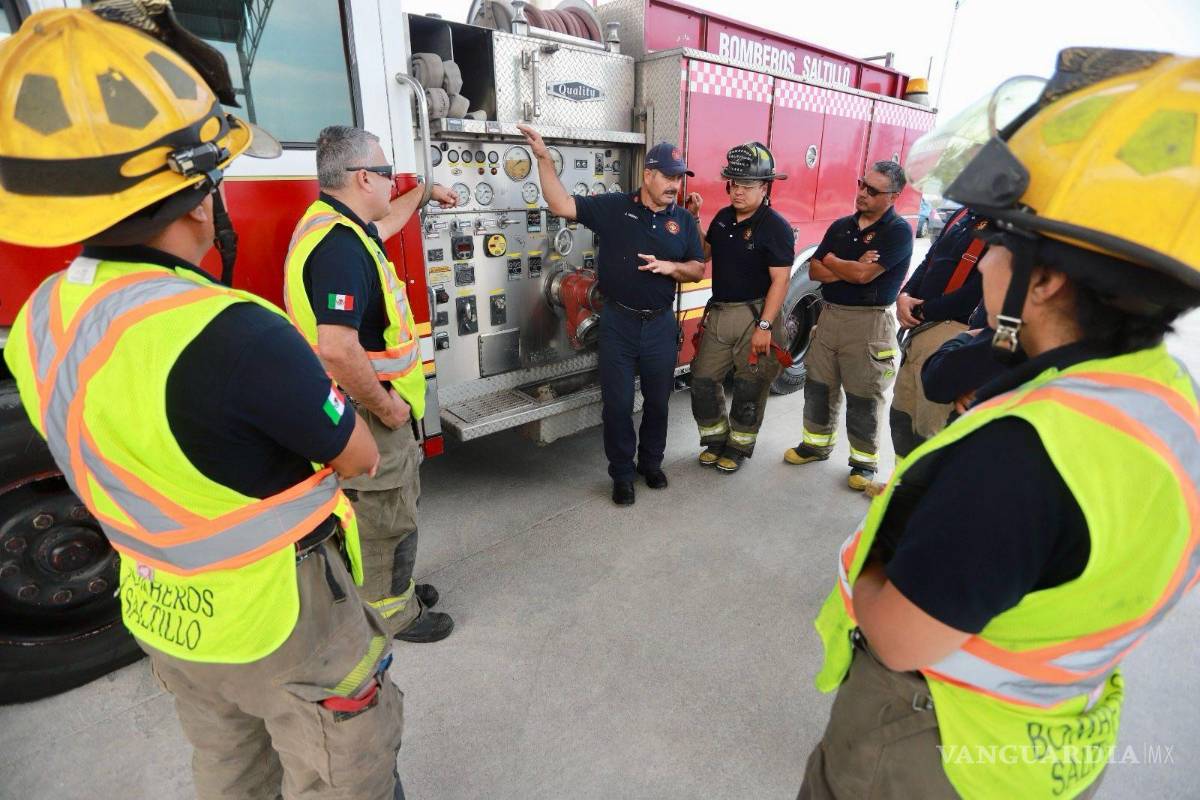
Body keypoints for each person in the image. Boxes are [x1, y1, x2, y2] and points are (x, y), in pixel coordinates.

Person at [0, 7, 406, 799]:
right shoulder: (233, 333)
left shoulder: (42, 313)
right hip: (278, 620)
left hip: (162, 610)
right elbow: (355, 454)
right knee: (342, 771)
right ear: (196, 204)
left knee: (228, 772)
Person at [798, 48, 1200, 800]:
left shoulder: (1021, 459)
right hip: (1050, 746)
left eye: (997, 246)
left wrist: (878, 559)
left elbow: (897, 635)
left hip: (935, 748)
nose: (981, 263)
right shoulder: (1164, 397)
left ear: (1042, 281)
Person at [283, 125, 457, 642]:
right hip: (368, 411)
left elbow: (391, 219)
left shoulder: (336, 225)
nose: (391, 183)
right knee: (386, 512)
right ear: (364, 178)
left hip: (349, 406)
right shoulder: (340, 248)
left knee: (375, 512)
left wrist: (422, 192)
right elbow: (337, 347)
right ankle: (392, 611)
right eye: (387, 174)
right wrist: (385, 407)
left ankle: (387, 587)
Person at [518, 125, 705, 505]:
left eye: (679, 178)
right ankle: (621, 474)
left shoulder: (683, 221)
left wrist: (672, 267)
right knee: (617, 405)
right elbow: (561, 205)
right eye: (668, 177)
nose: (674, 185)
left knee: (657, 402)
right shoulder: (614, 207)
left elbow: (697, 268)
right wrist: (542, 158)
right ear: (648, 175)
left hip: (659, 324)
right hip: (618, 324)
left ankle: (650, 464)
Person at [783, 161, 913, 490]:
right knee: (818, 385)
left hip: (869, 324)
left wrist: (835, 262)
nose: (862, 193)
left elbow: (863, 276)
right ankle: (816, 444)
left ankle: (863, 462)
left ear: (894, 196)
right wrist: (849, 265)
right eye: (861, 184)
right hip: (831, 316)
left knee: (863, 395)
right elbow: (814, 271)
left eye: (873, 190)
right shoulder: (841, 227)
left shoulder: (897, 232)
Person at [690, 142, 794, 473]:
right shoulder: (722, 218)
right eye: (734, 184)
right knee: (704, 379)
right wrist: (693, 220)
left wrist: (765, 327)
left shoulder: (775, 227)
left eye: (747, 186)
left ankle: (738, 447)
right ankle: (715, 439)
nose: (738, 192)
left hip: (755, 316)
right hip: (721, 314)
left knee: (750, 386)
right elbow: (705, 253)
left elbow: (780, 280)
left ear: (765, 187)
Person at [890, 206, 987, 457]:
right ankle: (901, 483)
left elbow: (977, 293)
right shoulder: (963, 215)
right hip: (922, 329)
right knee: (902, 414)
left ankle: (918, 492)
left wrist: (923, 311)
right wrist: (906, 295)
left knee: (930, 425)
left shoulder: (1006, 229)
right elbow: (930, 260)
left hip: (951, 329)